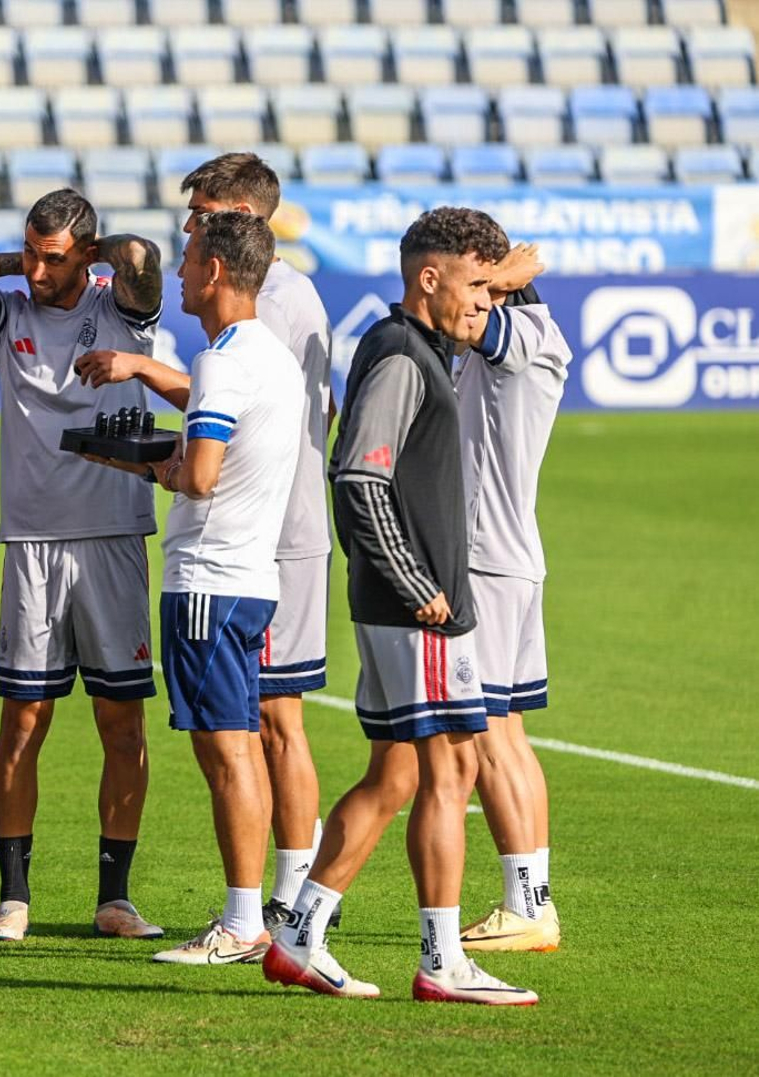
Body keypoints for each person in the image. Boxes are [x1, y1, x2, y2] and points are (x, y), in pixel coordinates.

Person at [263, 207, 538, 1005]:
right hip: (413, 608)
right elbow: (358, 476)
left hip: (401, 605)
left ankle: (300, 933)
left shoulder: (417, 350)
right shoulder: (399, 357)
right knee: (452, 764)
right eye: (476, 285)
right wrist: (420, 587)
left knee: (396, 774)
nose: (486, 302)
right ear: (429, 277)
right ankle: (442, 958)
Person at [76, 152, 336, 931]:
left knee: (269, 724)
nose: (188, 231)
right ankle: (278, 904)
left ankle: (283, 903)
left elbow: (241, 414)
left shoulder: (274, 307)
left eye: (202, 217)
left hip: (262, 538)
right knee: (256, 725)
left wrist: (161, 444)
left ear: (241, 225)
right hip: (260, 534)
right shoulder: (267, 313)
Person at [0, 189, 168, 942]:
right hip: (32, 544)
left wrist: (92, 255)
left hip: (114, 538)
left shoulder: (122, 307)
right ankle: (14, 896)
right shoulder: (10, 317)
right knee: (23, 722)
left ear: (86, 255)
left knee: (121, 724)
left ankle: (115, 897)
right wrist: (17, 260)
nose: (33, 270)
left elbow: (143, 261)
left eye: (51, 257)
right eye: (27, 253)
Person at [452, 242, 571, 954]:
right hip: (510, 557)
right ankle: (530, 899)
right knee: (510, 734)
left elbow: (471, 325)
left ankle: (527, 908)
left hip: (487, 564)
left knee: (488, 734)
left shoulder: (521, 335)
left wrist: (492, 280)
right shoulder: (525, 338)